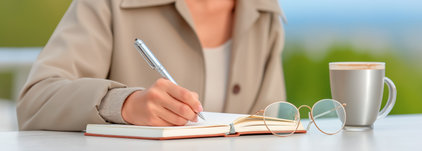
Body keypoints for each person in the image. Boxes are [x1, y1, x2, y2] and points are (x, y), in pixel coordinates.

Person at [17, 0, 286, 131]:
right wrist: (124, 105)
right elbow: (35, 101)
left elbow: (273, 124)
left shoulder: (265, 15)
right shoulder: (108, 4)